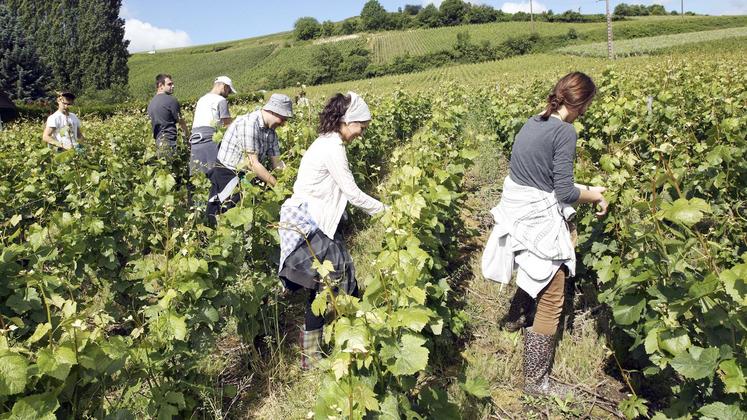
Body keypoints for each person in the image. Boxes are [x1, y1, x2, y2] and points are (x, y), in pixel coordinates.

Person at [481, 72, 608, 397]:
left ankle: (514, 318)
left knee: (533, 268)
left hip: (518, 210)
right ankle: (537, 383)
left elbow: (541, 179)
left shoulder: (534, 121)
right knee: (553, 293)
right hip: (535, 218)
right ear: (582, 103)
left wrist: (587, 189)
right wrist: (595, 194)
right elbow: (564, 191)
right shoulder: (565, 132)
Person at [277, 92, 386, 369]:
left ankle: (314, 355)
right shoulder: (332, 147)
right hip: (311, 223)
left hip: (313, 221)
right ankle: (354, 342)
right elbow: (351, 192)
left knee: (322, 287)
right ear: (348, 121)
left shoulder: (328, 141)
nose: (362, 133)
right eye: (361, 126)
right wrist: (385, 211)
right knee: (341, 283)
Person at [206, 93, 293, 224]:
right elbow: (253, 164)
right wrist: (278, 187)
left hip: (246, 175)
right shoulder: (249, 123)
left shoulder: (271, 133)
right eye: (283, 119)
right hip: (228, 172)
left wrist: (288, 183)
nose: (283, 123)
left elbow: (277, 163)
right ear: (274, 112)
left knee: (249, 210)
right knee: (227, 215)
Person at [189, 76, 236, 175]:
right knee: (215, 174)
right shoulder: (221, 100)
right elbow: (227, 125)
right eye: (229, 91)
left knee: (198, 175)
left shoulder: (201, 99)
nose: (228, 94)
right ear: (224, 86)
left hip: (195, 140)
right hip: (210, 140)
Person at [147, 74, 188, 158]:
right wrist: (188, 138)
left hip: (159, 143)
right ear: (160, 86)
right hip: (170, 141)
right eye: (169, 84)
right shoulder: (171, 100)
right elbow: (181, 122)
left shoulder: (151, 104)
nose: (173, 86)